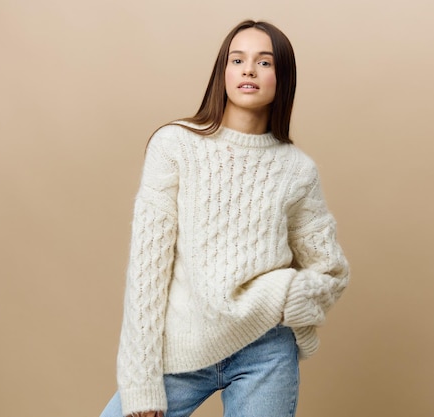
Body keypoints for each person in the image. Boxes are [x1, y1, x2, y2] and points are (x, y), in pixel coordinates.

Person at [100, 19, 350, 417]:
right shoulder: (175, 145)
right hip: (182, 349)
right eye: (238, 59)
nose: (249, 69)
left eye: (264, 62)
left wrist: (288, 296)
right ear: (224, 72)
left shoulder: (297, 170)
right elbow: (147, 273)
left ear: (282, 78)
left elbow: (330, 269)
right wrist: (140, 382)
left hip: (265, 351)